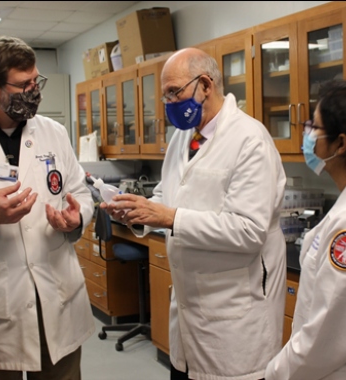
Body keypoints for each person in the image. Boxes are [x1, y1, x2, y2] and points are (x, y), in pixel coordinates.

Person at [102, 47, 287, 380]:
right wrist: (137, 210)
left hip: (234, 322)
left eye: (175, 92)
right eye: (165, 96)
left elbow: (248, 231)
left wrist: (170, 217)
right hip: (189, 319)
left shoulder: (250, 140)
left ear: (205, 85)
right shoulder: (183, 137)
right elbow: (168, 194)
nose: (170, 103)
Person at [0, 36, 95, 379]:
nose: (35, 90)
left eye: (36, 81)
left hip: (57, 295)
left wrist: (76, 217)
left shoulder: (54, 133)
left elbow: (80, 193)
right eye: (24, 84)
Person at [265, 80, 346, 379]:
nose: (307, 135)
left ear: (340, 144)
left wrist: (276, 372)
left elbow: (326, 335)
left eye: (314, 127)